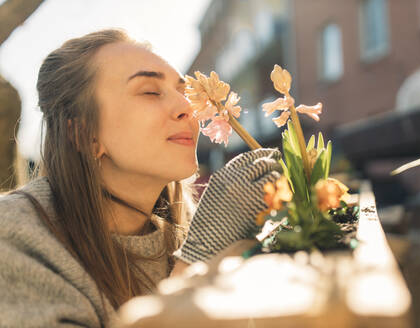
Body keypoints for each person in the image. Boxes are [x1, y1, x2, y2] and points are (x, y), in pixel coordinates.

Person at [0, 29, 281, 327]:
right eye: (150, 91)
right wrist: (197, 260)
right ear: (83, 134)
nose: (188, 107)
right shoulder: (15, 237)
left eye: (183, 92)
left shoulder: (185, 228)